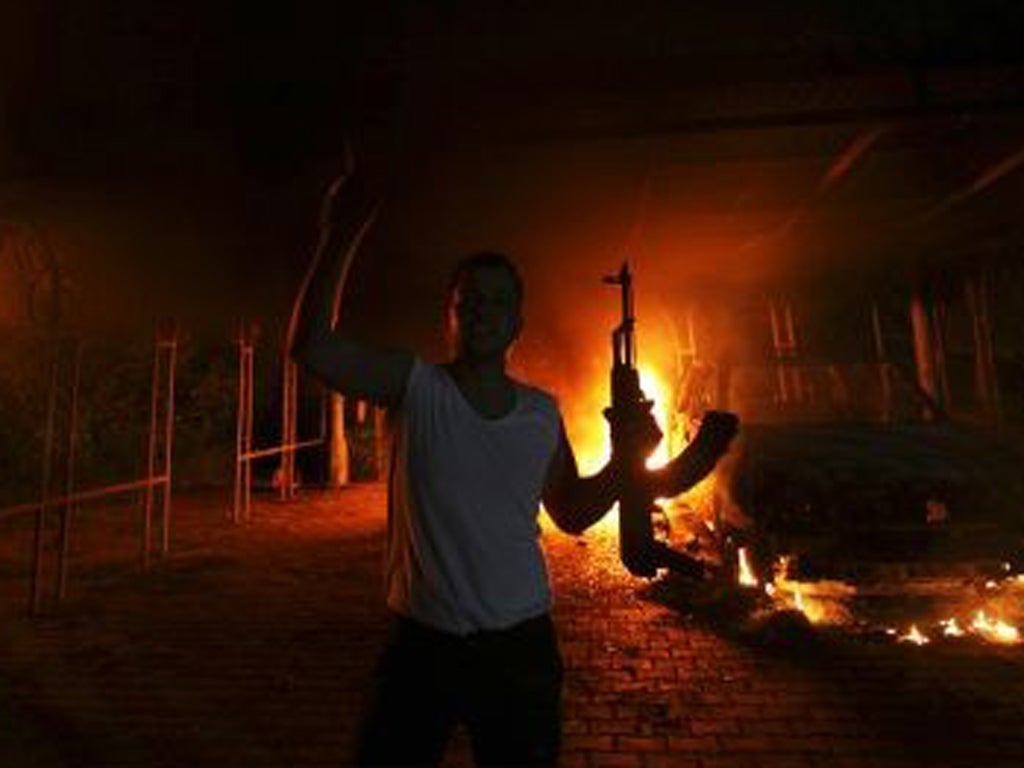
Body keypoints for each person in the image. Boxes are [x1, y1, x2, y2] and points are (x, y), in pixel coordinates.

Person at [288, 166, 737, 767]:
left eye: (497, 301)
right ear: (447, 316)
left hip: (520, 649)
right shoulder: (415, 388)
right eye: (467, 300)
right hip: (422, 647)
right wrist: (339, 233)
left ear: (516, 324)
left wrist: (627, 458)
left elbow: (573, 511)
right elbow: (313, 347)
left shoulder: (540, 414)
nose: (481, 311)